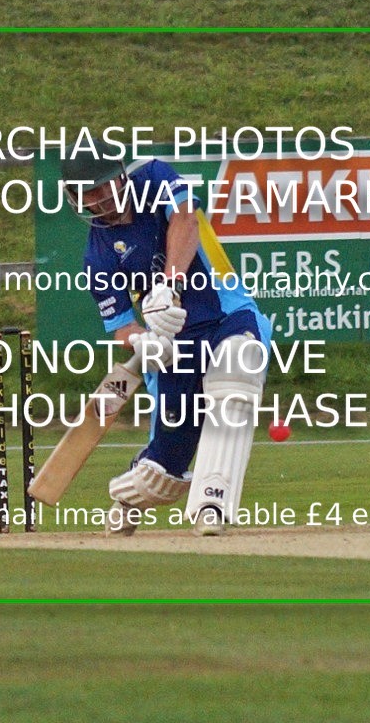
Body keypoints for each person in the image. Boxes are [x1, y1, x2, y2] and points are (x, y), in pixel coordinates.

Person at [61, 138, 272, 536]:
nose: (103, 196)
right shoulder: (98, 258)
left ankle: (212, 503)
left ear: (122, 175)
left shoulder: (155, 175)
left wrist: (170, 284)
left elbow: (186, 220)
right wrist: (142, 341)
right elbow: (121, 326)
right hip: (174, 343)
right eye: (91, 191)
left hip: (226, 313)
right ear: (76, 198)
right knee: (163, 472)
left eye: (107, 183)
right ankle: (128, 494)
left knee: (237, 373)